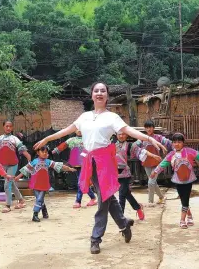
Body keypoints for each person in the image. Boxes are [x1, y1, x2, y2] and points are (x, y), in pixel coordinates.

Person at [34, 82, 167, 254]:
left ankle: (95, 238)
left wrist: (150, 139)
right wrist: (46, 139)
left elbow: (130, 131)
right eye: (96, 91)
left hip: (105, 161)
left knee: (103, 200)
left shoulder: (112, 117)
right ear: (92, 95)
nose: (99, 93)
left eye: (102, 91)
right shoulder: (84, 117)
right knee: (107, 196)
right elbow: (65, 131)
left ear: (107, 96)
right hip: (90, 161)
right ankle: (124, 223)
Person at [150, 133, 199, 229]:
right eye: (174, 142)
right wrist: (155, 172)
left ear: (183, 143)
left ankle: (182, 220)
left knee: (185, 199)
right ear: (172, 143)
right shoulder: (171, 154)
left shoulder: (189, 152)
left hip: (188, 179)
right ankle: (189, 215)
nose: (177, 144)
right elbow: (163, 164)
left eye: (179, 142)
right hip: (178, 180)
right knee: (183, 199)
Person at [15, 145, 76, 222]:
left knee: (39, 198)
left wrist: (69, 169)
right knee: (39, 199)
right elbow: (26, 169)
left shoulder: (48, 161)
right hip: (35, 183)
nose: (44, 153)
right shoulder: (34, 162)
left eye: (46, 152)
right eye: (42, 151)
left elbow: (59, 166)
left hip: (44, 184)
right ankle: (44, 211)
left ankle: (35, 214)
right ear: (38, 152)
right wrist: (18, 177)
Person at [115, 130, 162, 220]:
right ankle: (138, 207)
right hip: (114, 173)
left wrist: (153, 155)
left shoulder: (130, 145)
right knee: (126, 194)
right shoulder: (111, 144)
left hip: (125, 174)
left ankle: (120, 218)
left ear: (127, 135)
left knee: (121, 195)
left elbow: (141, 151)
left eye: (123, 134)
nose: (121, 136)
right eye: (119, 134)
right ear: (116, 135)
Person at [0, 120, 31, 213]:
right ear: (3, 127)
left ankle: (8, 205)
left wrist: (29, 157)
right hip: (2, 165)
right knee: (11, 183)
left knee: (7, 184)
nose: (8, 128)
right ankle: (21, 200)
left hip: (13, 165)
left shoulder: (14, 139)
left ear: (12, 128)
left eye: (10, 126)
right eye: (6, 126)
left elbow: (22, 149)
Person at [52, 130, 97, 208]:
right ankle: (92, 198)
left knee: (80, 182)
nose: (79, 130)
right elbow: (62, 146)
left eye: (81, 128)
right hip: (76, 164)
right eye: (77, 129)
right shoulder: (71, 140)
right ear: (75, 130)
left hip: (85, 164)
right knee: (82, 182)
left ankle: (78, 201)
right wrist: (50, 152)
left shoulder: (88, 139)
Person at [134, 120, 173, 204]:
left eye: (150, 127)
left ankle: (150, 202)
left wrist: (173, 146)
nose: (149, 129)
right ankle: (161, 197)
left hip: (157, 163)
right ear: (145, 128)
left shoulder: (158, 137)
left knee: (151, 182)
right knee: (153, 182)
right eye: (147, 127)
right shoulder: (142, 139)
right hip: (146, 163)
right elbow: (135, 146)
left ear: (153, 128)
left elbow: (167, 142)